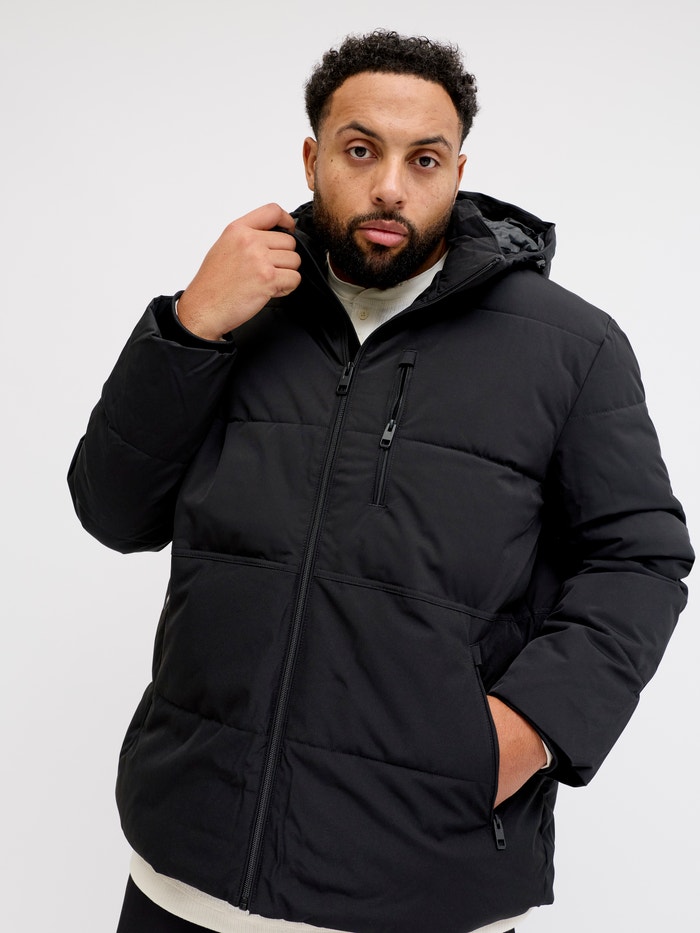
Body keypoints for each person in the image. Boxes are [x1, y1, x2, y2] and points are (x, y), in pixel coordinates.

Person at [68, 29, 693, 933]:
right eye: (360, 151)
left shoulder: (571, 346)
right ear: (313, 159)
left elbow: (640, 558)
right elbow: (113, 511)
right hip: (184, 870)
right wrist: (190, 325)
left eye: (423, 159)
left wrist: (526, 730)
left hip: (424, 884)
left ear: (459, 170)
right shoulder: (236, 308)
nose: (390, 186)